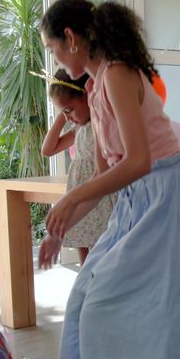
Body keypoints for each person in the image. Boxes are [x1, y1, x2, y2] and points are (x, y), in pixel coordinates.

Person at [39, 0, 180, 359]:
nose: (56, 60)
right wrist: (60, 226)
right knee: (96, 289)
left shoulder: (119, 73)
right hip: (136, 200)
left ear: (71, 37)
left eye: (53, 49)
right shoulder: (94, 84)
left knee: (155, 300)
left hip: (164, 195)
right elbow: (110, 172)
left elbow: (139, 160)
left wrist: (69, 200)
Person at [39, 68, 116, 269]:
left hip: (97, 193)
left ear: (87, 97)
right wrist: (64, 114)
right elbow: (48, 150)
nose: (68, 116)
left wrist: (69, 110)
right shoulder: (79, 128)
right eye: (64, 112)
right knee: (83, 250)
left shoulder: (100, 124)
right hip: (80, 191)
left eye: (70, 109)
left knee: (100, 250)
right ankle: (85, 287)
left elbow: (102, 171)